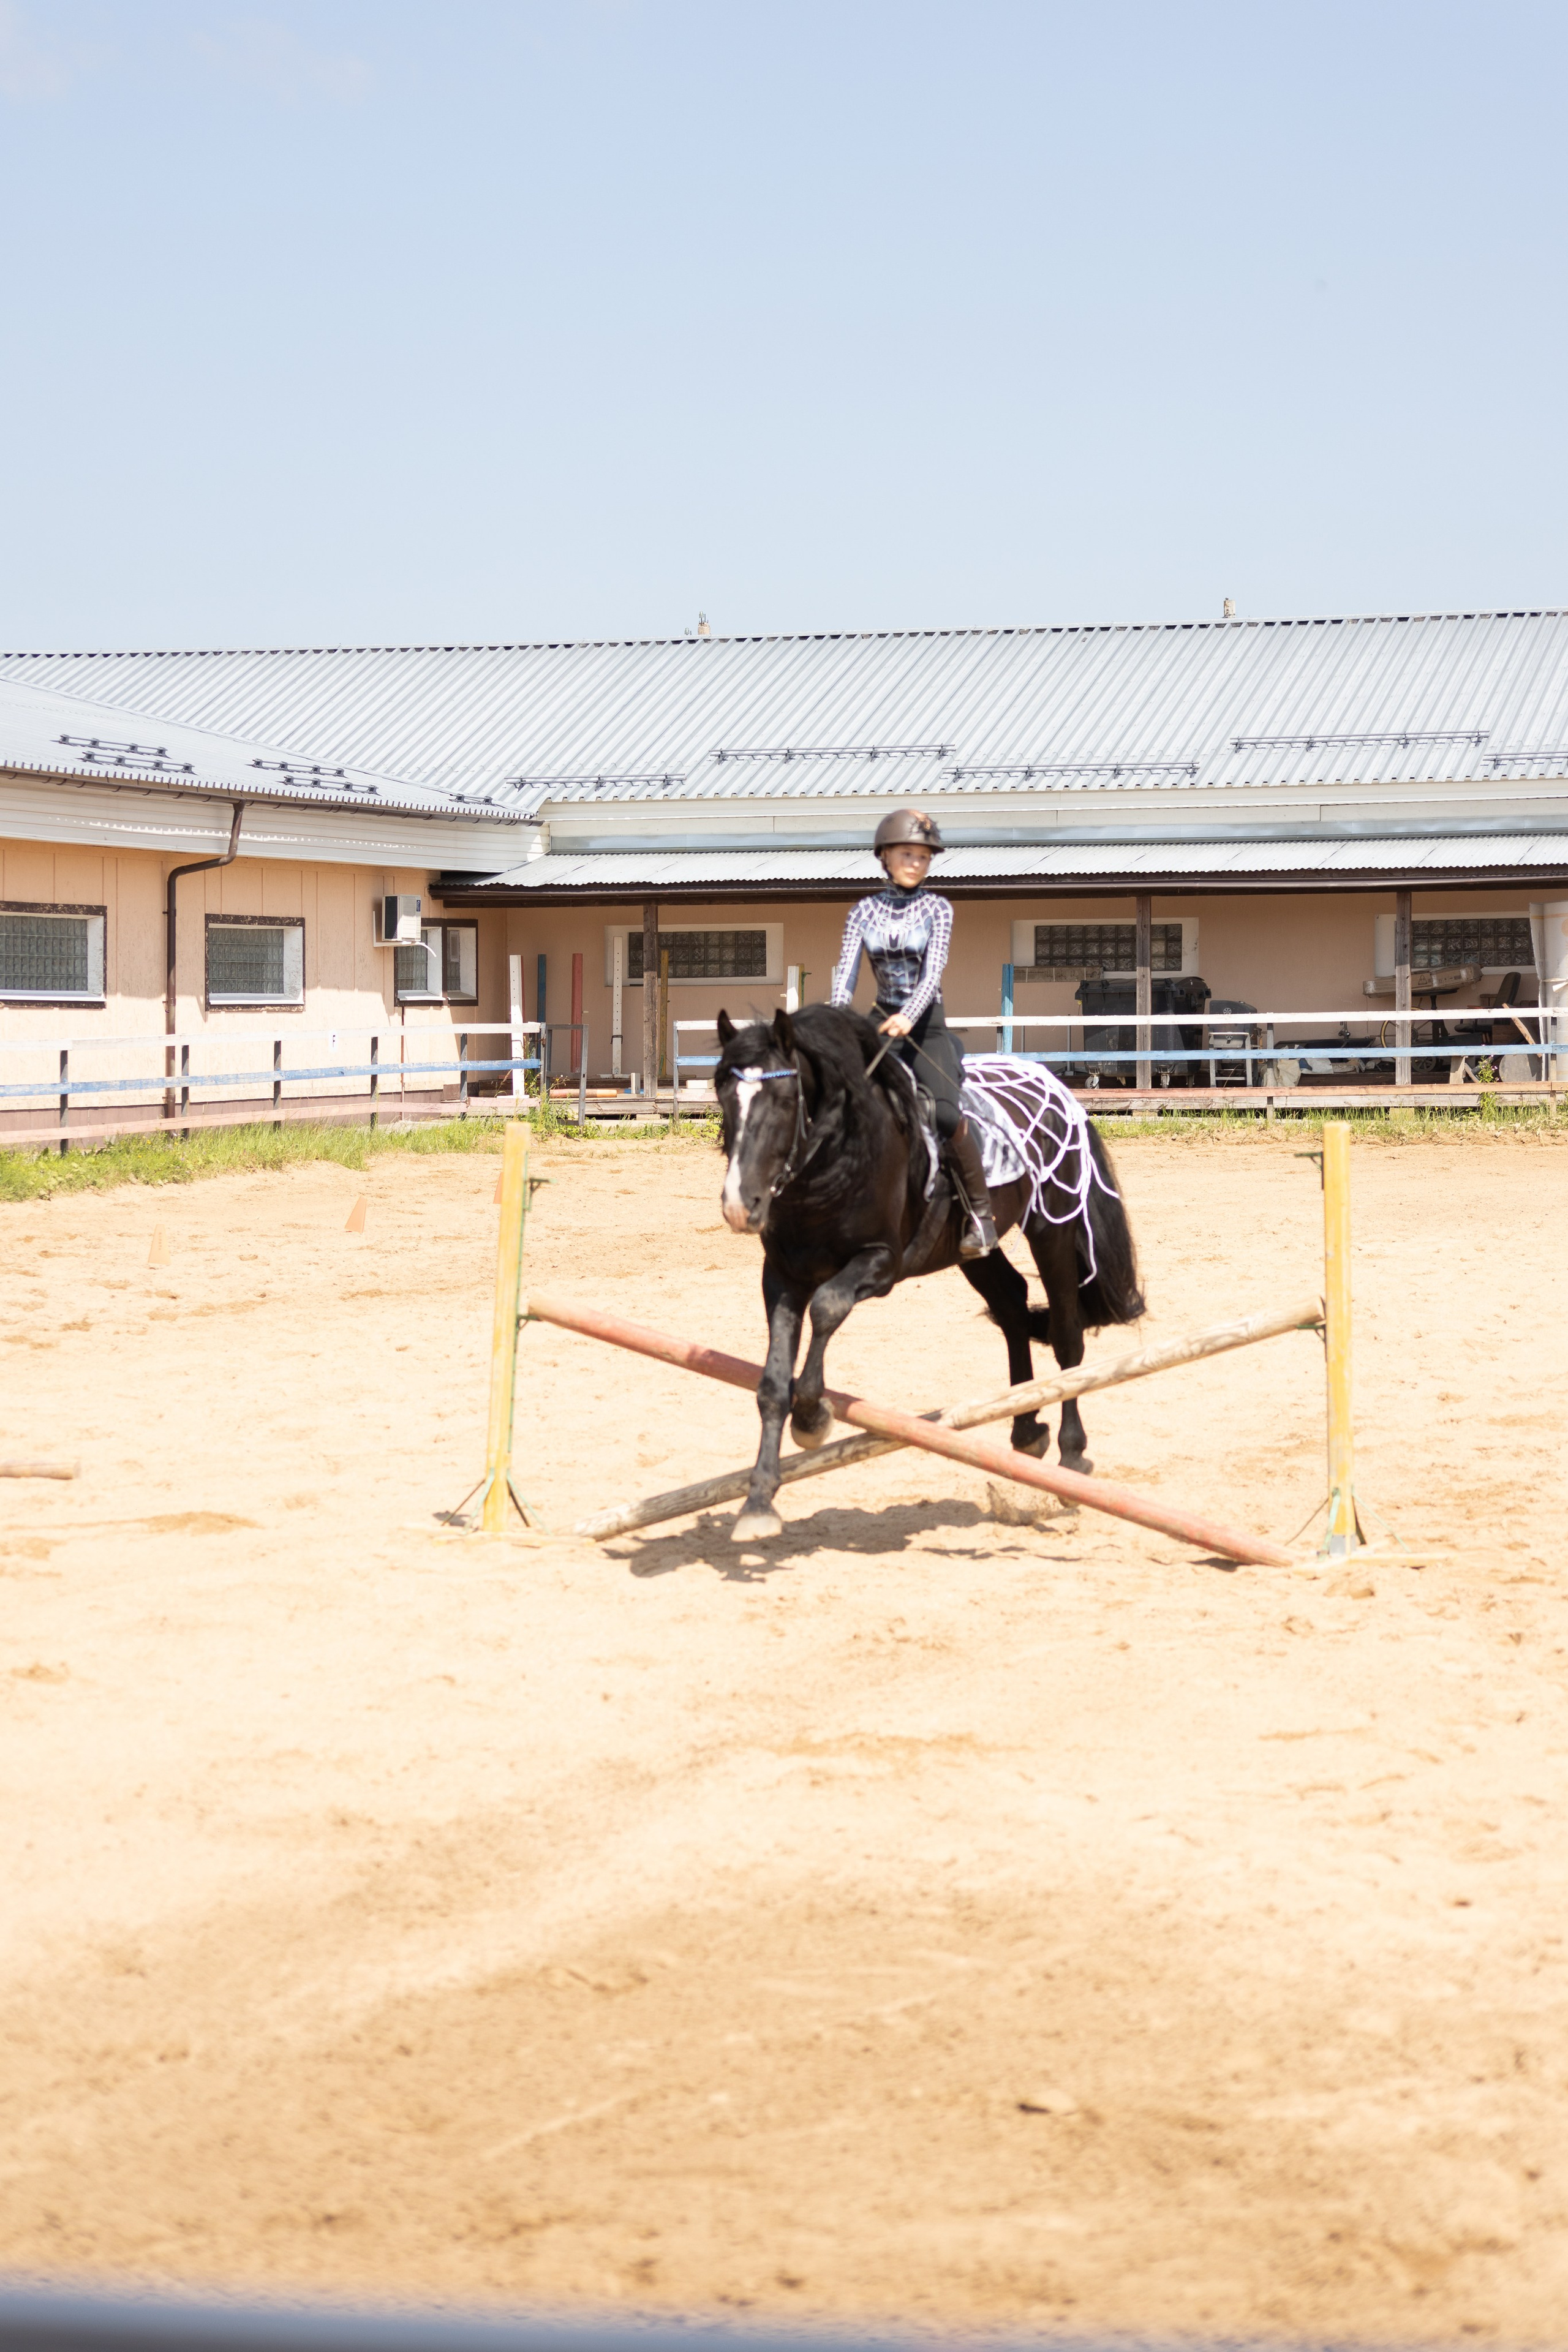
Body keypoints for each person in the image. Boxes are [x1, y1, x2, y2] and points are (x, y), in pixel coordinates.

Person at [828, 808, 998, 1257]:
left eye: (924, 857)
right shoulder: (862, 911)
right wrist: (836, 1019)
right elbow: (846, 973)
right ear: (885, 856)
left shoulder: (938, 908)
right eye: (908, 854)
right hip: (878, 1018)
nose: (917, 863)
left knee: (943, 1113)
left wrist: (909, 1016)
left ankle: (980, 1214)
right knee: (835, 1095)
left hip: (926, 1025)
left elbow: (933, 970)